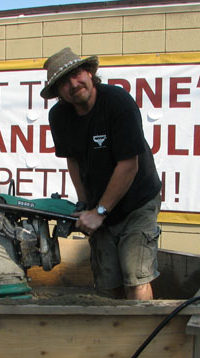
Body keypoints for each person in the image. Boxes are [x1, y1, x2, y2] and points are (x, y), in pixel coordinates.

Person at [41, 47, 162, 300]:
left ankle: (144, 337)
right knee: (106, 286)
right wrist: (86, 204)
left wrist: (99, 212)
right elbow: (72, 160)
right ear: (57, 94)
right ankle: (114, 337)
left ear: (89, 73)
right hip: (101, 206)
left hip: (136, 203)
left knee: (135, 279)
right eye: (63, 83)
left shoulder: (117, 102)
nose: (73, 84)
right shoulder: (59, 116)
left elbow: (129, 165)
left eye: (76, 75)